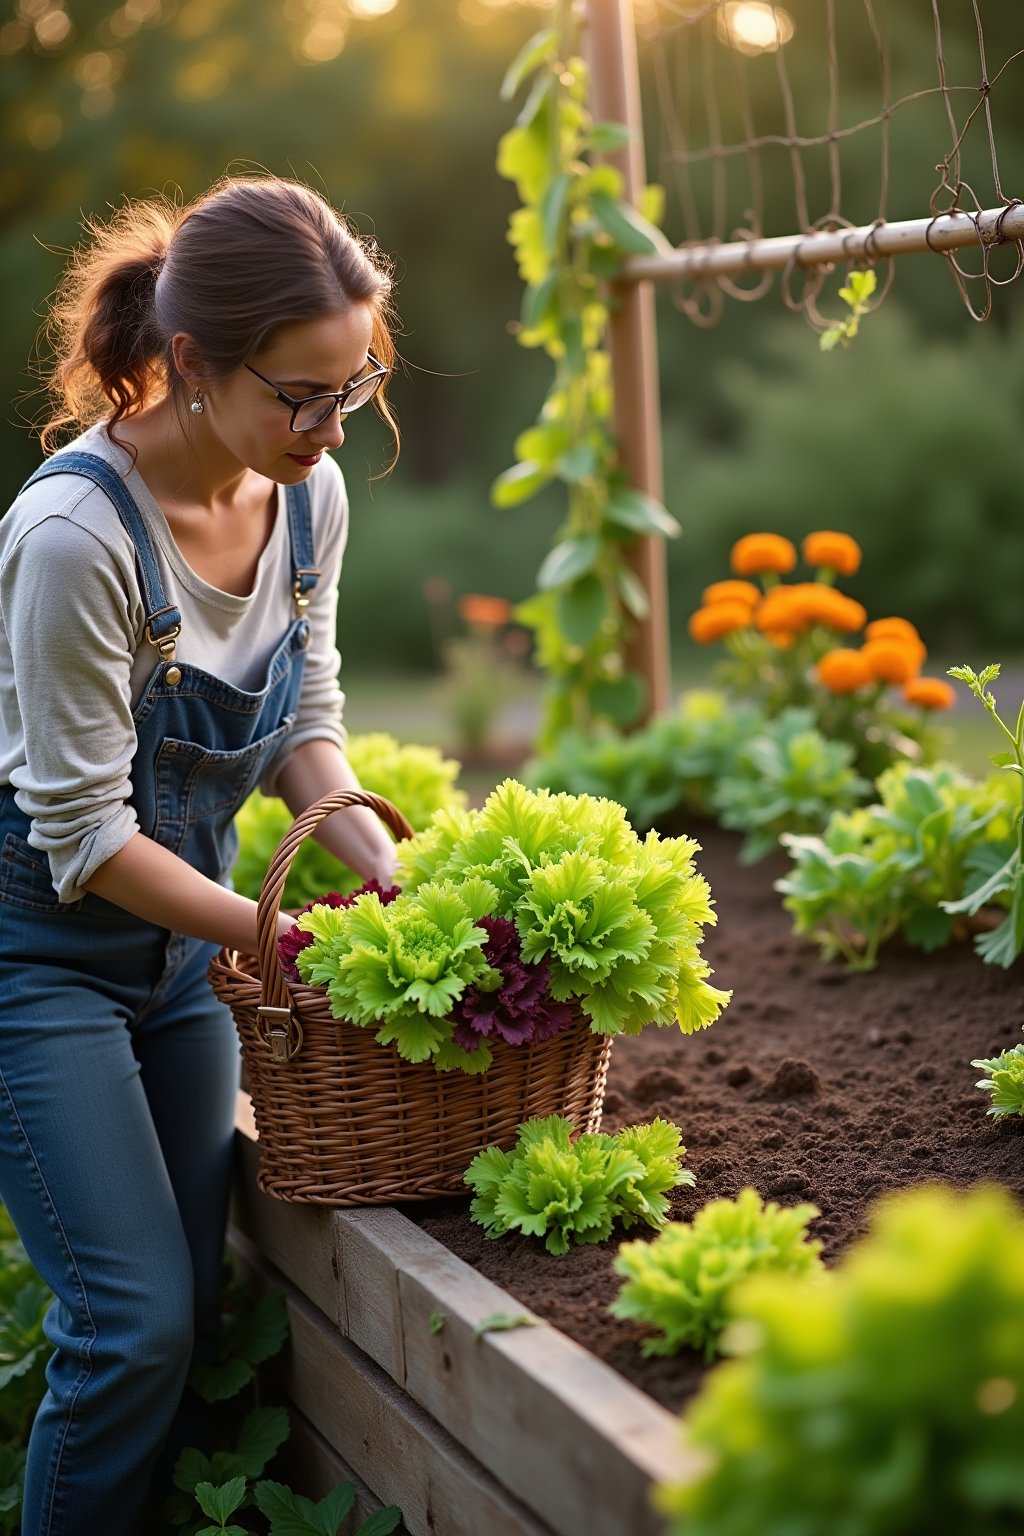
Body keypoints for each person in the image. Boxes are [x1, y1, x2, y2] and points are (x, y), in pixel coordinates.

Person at [0, 175, 401, 1535]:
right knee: (130, 1327)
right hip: (42, 959)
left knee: (192, 1286)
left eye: (351, 390)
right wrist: (274, 933)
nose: (327, 425)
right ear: (188, 363)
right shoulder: (73, 539)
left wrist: (381, 867)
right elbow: (84, 834)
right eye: (299, 393)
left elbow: (308, 718)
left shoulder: (309, 495)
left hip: (188, 964)